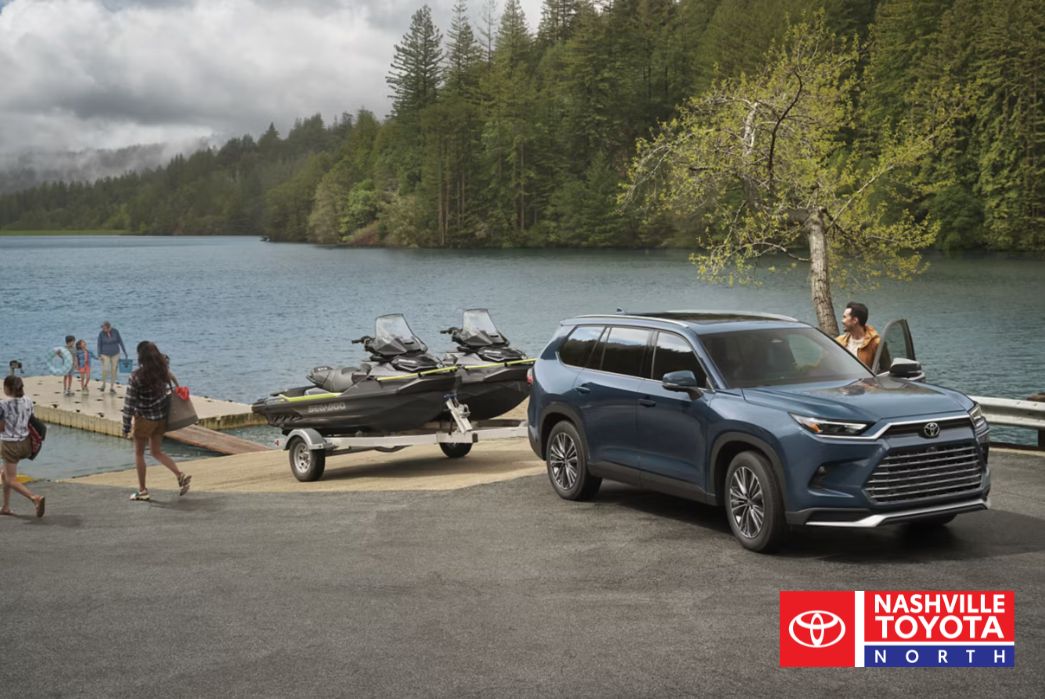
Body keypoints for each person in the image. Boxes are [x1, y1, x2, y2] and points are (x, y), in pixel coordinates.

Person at [122, 341, 190, 502]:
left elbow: (129, 403)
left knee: (139, 454)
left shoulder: (136, 377)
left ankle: (143, 490)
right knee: (156, 451)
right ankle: (180, 475)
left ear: (140, 357)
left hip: (144, 419)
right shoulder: (162, 372)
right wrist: (177, 385)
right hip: (160, 418)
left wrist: (125, 426)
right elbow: (170, 373)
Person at [0, 376, 46, 518]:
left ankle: (34, 498)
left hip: (10, 445)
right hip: (25, 443)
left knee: (11, 479)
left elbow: (1, 428)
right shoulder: (28, 400)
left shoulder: (3, 405)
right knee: (5, 474)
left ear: (7, 388)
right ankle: (6, 507)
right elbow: (30, 420)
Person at [835, 301, 881, 368]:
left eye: (844, 317)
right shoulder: (839, 341)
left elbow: (886, 370)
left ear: (855, 320)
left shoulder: (876, 343)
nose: (842, 321)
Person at [98, 321, 128, 395]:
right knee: (105, 369)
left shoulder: (115, 331)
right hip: (105, 353)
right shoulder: (101, 334)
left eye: (104, 328)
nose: (103, 329)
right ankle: (103, 384)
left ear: (109, 327)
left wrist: (124, 352)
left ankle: (112, 387)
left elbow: (120, 341)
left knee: (114, 370)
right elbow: (99, 344)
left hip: (115, 353)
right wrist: (99, 355)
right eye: (102, 328)